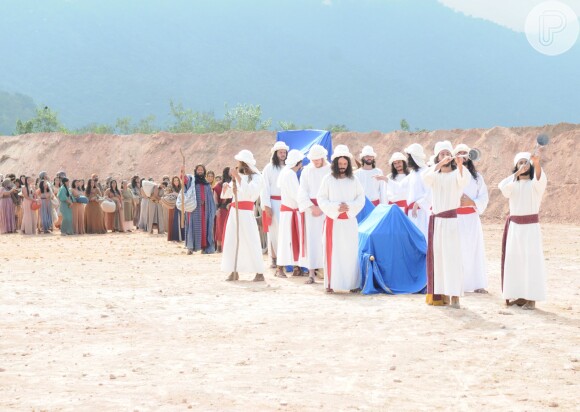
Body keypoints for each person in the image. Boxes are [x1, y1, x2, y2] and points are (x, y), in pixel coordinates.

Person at [422, 141, 470, 309]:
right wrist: (438, 164)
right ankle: (441, 295)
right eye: (441, 154)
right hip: (437, 223)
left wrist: (460, 164)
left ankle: (455, 295)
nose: (444, 156)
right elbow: (426, 177)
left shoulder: (457, 174)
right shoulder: (434, 175)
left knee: (452, 258)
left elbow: (464, 181)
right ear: (437, 157)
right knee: (439, 259)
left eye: (446, 154)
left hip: (451, 222)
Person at [498, 151, 547, 310]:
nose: (523, 165)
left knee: (530, 262)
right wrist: (517, 173)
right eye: (520, 163)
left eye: (526, 163)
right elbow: (502, 187)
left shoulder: (534, 185)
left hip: (530, 229)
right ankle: (519, 296)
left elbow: (541, 179)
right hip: (515, 229)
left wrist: (536, 163)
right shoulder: (512, 185)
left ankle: (531, 299)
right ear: (516, 166)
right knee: (515, 262)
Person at [318, 145, 365, 293]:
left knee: (351, 253)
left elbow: (361, 199)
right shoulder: (328, 179)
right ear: (335, 164)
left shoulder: (354, 180)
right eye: (340, 164)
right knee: (333, 253)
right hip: (334, 221)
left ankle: (353, 284)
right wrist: (337, 207)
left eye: (345, 164)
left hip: (350, 222)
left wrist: (349, 206)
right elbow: (321, 198)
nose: (343, 166)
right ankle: (331, 284)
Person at [222, 150, 266, 282]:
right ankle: (233, 270)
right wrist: (226, 188)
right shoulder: (238, 176)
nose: (238, 164)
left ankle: (259, 272)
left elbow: (249, 193)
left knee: (251, 240)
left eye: (240, 162)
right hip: (234, 213)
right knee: (232, 240)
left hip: (246, 213)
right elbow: (228, 195)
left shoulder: (257, 178)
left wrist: (237, 177)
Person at [453, 144, 489, 294]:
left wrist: (472, 202)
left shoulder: (477, 177)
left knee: (474, 250)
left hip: (472, 218)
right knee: (457, 250)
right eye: (459, 153)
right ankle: (457, 284)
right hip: (455, 218)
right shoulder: (450, 174)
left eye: (465, 153)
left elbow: (484, 196)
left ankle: (477, 284)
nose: (462, 156)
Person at [297, 144, 331, 284]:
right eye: (314, 159)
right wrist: (312, 207)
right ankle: (311, 273)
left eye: (318, 159)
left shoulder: (330, 170)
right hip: (311, 211)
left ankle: (327, 272)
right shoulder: (306, 171)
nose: (316, 162)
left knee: (326, 239)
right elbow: (302, 191)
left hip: (327, 209)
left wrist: (323, 207)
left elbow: (332, 189)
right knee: (311, 240)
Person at [275, 149, 305, 278]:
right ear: (298, 163)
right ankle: (280, 268)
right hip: (290, 211)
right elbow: (296, 194)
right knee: (287, 239)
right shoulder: (291, 174)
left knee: (291, 239)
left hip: (287, 210)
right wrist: (306, 204)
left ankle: (296, 267)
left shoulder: (285, 172)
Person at [261, 141, 289, 268]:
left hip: (287, 203)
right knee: (274, 231)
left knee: (285, 231)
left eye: (284, 152)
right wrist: (267, 206)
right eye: (280, 152)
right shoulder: (269, 168)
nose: (283, 154)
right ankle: (274, 258)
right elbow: (264, 188)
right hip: (273, 202)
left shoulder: (289, 167)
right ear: (275, 154)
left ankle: (286, 259)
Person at [183, 164, 216, 254]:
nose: (200, 171)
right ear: (196, 171)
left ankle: (204, 247)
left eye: (202, 170)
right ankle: (190, 248)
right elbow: (184, 181)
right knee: (193, 227)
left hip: (204, 210)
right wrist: (182, 172)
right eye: (199, 170)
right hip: (194, 210)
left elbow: (210, 198)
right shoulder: (192, 181)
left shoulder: (207, 184)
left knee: (204, 228)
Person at [403, 143, 431, 239]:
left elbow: (430, 192)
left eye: (409, 157)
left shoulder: (426, 171)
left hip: (421, 212)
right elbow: (400, 187)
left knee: (422, 237)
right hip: (412, 213)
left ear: (414, 157)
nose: (408, 160)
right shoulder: (412, 173)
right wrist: (386, 180)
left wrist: (418, 203)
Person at [213, 167, 232, 252]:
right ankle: (219, 248)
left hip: (227, 209)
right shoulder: (219, 185)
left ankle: (222, 248)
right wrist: (217, 209)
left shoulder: (232, 184)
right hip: (225, 209)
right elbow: (215, 199)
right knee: (221, 228)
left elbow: (215, 199)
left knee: (223, 228)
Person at [167, 176, 185, 242]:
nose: (176, 182)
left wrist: (176, 194)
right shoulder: (171, 188)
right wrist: (173, 194)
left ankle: (182, 237)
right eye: (174, 181)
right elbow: (166, 195)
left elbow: (184, 196)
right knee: (174, 221)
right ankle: (175, 237)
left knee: (182, 221)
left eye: (177, 180)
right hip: (173, 207)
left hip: (181, 206)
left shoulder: (182, 187)